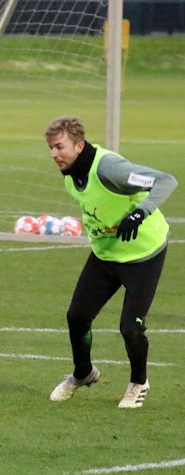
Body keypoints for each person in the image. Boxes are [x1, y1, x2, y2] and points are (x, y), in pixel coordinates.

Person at [45, 116, 177, 409]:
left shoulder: (109, 169)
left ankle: (139, 382)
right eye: (51, 148)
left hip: (144, 254)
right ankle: (83, 373)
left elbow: (165, 181)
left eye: (59, 147)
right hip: (106, 254)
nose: (54, 154)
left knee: (131, 328)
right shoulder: (71, 170)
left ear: (79, 145)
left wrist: (139, 213)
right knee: (77, 316)